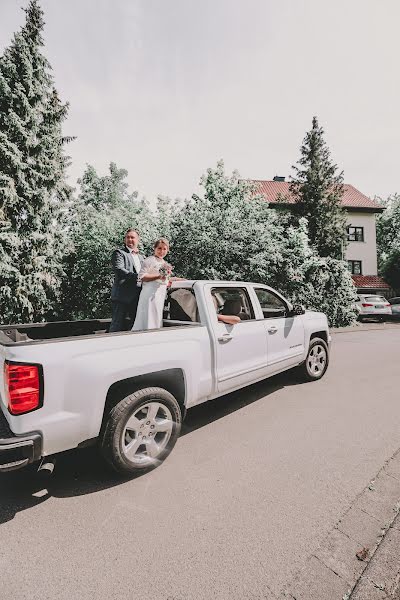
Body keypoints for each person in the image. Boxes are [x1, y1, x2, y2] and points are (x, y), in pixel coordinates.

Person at [132, 238, 176, 331]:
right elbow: (142, 277)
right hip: (149, 294)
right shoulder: (149, 260)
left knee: (156, 317)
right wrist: (158, 276)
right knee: (149, 316)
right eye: (159, 248)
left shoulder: (165, 264)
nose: (162, 251)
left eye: (164, 249)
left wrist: (178, 279)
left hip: (160, 294)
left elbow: (166, 279)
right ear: (154, 249)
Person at [109, 229, 145, 332]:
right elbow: (120, 270)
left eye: (132, 237)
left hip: (137, 298)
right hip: (122, 297)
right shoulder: (119, 253)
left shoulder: (141, 257)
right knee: (116, 327)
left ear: (138, 240)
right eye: (127, 237)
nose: (130, 239)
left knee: (134, 327)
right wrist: (139, 276)